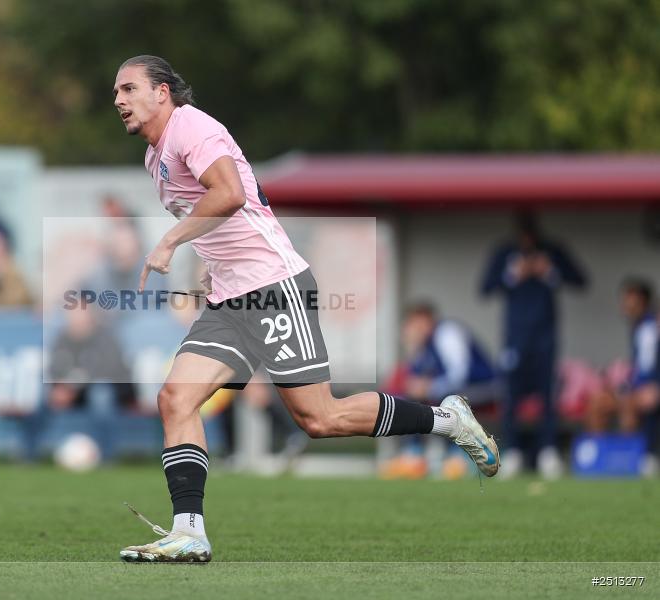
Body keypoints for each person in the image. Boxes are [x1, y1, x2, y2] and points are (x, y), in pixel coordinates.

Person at [112, 55, 500, 563]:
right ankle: (189, 532)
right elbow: (230, 213)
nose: (118, 100)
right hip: (231, 296)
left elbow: (228, 194)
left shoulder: (192, 125)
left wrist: (169, 242)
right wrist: (210, 263)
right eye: (116, 92)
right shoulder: (155, 156)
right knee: (175, 399)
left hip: (275, 286)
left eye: (128, 88)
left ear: (162, 92)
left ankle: (446, 419)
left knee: (319, 418)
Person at [480, 212, 587, 479]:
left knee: (548, 396)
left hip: (545, 337)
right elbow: (484, 288)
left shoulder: (552, 251)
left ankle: (548, 451)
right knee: (511, 397)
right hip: (514, 338)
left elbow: (580, 280)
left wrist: (548, 270)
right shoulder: (505, 253)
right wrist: (513, 274)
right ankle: (512, 452)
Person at [387, 302, 500, 479]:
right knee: (412, 398)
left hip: (483, 387)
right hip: (455, 390)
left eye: (413, 323)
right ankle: (414, 455)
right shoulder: (424, 345)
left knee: (447, 398)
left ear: (424, 320)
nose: (410, 329)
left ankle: (461, 456)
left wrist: (429, 387)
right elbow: (415, 378)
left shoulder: (446, 333)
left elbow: (460, 375)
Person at [586, 278, 659, 474]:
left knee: (629, 405)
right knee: (598, 403)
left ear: (643, 302)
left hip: (651, 391)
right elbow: (640, 370)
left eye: (631, 301)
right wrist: (623, 386)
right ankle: (597, 459)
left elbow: (649, 372)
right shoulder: (637, 328)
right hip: (638, 389)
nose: (626, 305)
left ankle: (640, 459)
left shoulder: (651, 328)